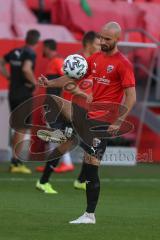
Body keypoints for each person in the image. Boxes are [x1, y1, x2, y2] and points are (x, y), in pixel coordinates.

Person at [37, 21, 136, 224]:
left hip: (104, 121)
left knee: (92, 169)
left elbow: (131, 97)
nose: (102, 41)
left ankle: (89, 215)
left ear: (117, 39)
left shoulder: (123, 63)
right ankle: (67, 133)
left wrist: (118, 122)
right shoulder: (95, 58)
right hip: (89, 116)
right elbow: (71, 76)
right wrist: (50, 82)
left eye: (107, 39)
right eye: (101, 37)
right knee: (55, 100)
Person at [0, 29, 40, 173]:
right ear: (37, 41)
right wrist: (35, 83)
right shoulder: (30, 53)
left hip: (13, 93)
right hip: (24, 93)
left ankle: (14, 161)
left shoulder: (15, 51)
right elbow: (26, 69)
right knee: (22, 128)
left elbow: (1, 62)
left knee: (17, 127)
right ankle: (16, 162)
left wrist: (9, 77)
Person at [35, 39, 74, 174]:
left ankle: (67, 163)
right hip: (52, 103)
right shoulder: (55, 61)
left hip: (55, 104)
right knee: (52, 134)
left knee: (56, 133)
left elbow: (67, 81)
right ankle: (50, 165)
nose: (42, 51)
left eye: (43, 48)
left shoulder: (57, 61)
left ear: (47, 48)